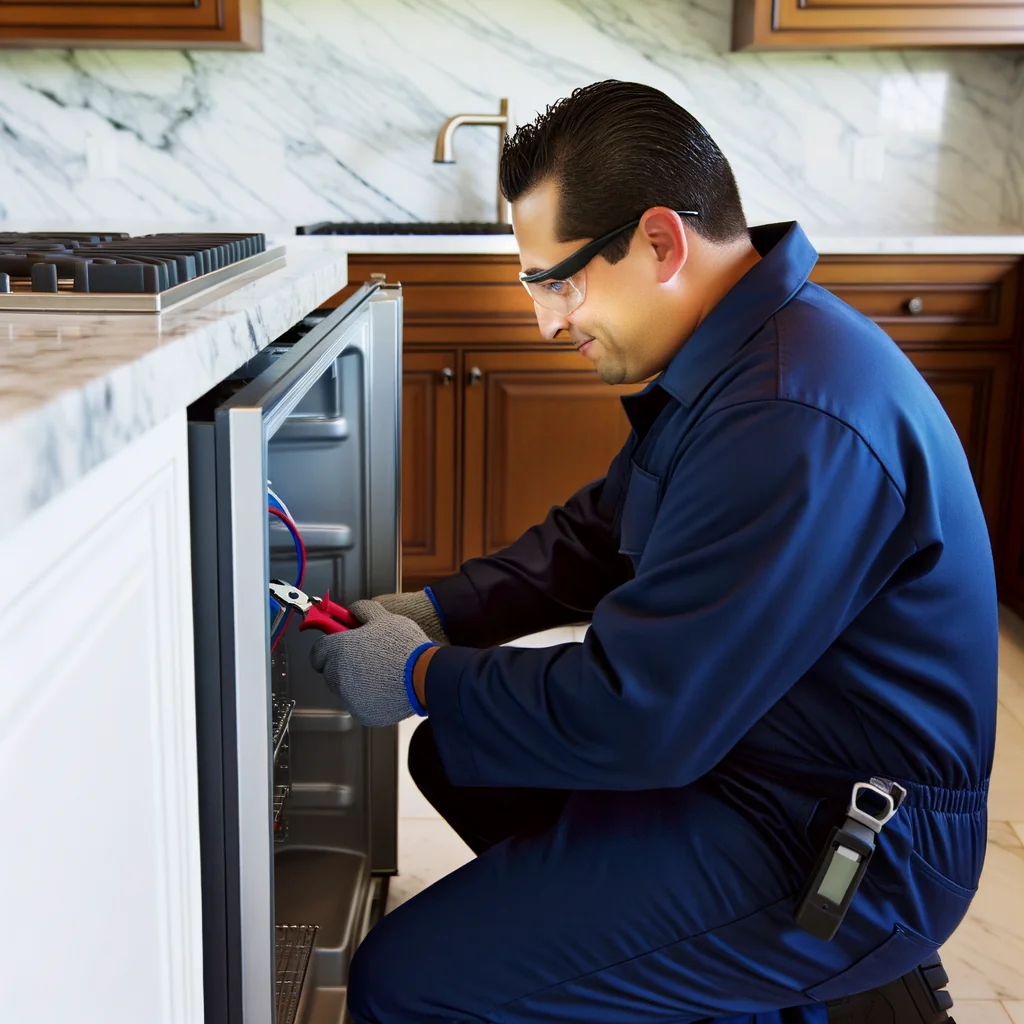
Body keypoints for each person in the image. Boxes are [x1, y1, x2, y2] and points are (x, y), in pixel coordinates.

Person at [311, 80, 996, 1023]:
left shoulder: (792, 413)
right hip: (761, 762)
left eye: (559, 280)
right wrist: (440, 614)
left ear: (661, 243)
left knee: (407, 983)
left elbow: (642, 715)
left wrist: (424, 673)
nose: (548, 321)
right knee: (463, 754)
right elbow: (596, 533)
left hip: (845, 844)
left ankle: (817, 980)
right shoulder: (744, 356)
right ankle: (708, 983)